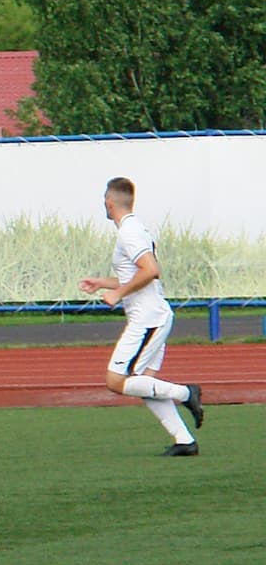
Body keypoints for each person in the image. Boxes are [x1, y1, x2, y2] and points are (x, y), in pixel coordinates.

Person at [79, 177, 204, 455]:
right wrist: (103, 282)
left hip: (148, 318)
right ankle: (185, 441)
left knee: (116, 380)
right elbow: (137, 273)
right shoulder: (133, 229)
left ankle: (186, 393)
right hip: (152, 316)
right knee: (142, 384)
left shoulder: (129, 232)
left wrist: (118, 293)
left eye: (104, 200)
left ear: (109, 203)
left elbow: (150, 269)